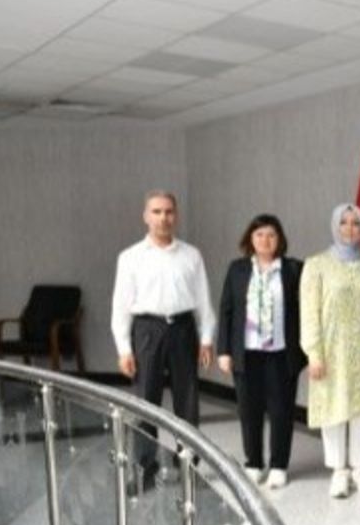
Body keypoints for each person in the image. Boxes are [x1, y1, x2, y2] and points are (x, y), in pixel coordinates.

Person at [111, 190, 215, 484]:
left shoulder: (191, 255)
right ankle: (145, 467)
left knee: (188, 401)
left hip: (183, 329)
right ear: (146, 216)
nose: (163, 218)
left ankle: (188, 464)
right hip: (147, 330)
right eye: (156, 212)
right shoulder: (130, 257)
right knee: (146, 400)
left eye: (168, 211)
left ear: (176, 216)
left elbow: (203, 299)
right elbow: (120, 306)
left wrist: (206, 337)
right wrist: (124, 348)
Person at [300, 203, 360, 498]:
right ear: (335, 226)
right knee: (334, 408)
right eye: (344, 222)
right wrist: (314, 353)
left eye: (356, 223)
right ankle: (339, 472)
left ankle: (359, 469)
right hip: (332, 351)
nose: (350, 229)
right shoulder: (317, 264)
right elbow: (309, 313)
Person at [216, 214, 306, 489]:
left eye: (271, 235)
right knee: (249, 411)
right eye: (259, 235)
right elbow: (226, 310)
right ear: (250, 239)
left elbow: (305, 311)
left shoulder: (293, 269)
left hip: (281, 354)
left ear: (280, 239)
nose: (265, 240)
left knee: (281, 411)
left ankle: (279, 465)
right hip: (247, 353)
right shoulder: (238, 269)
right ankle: (253, 463)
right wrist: (224, 351)